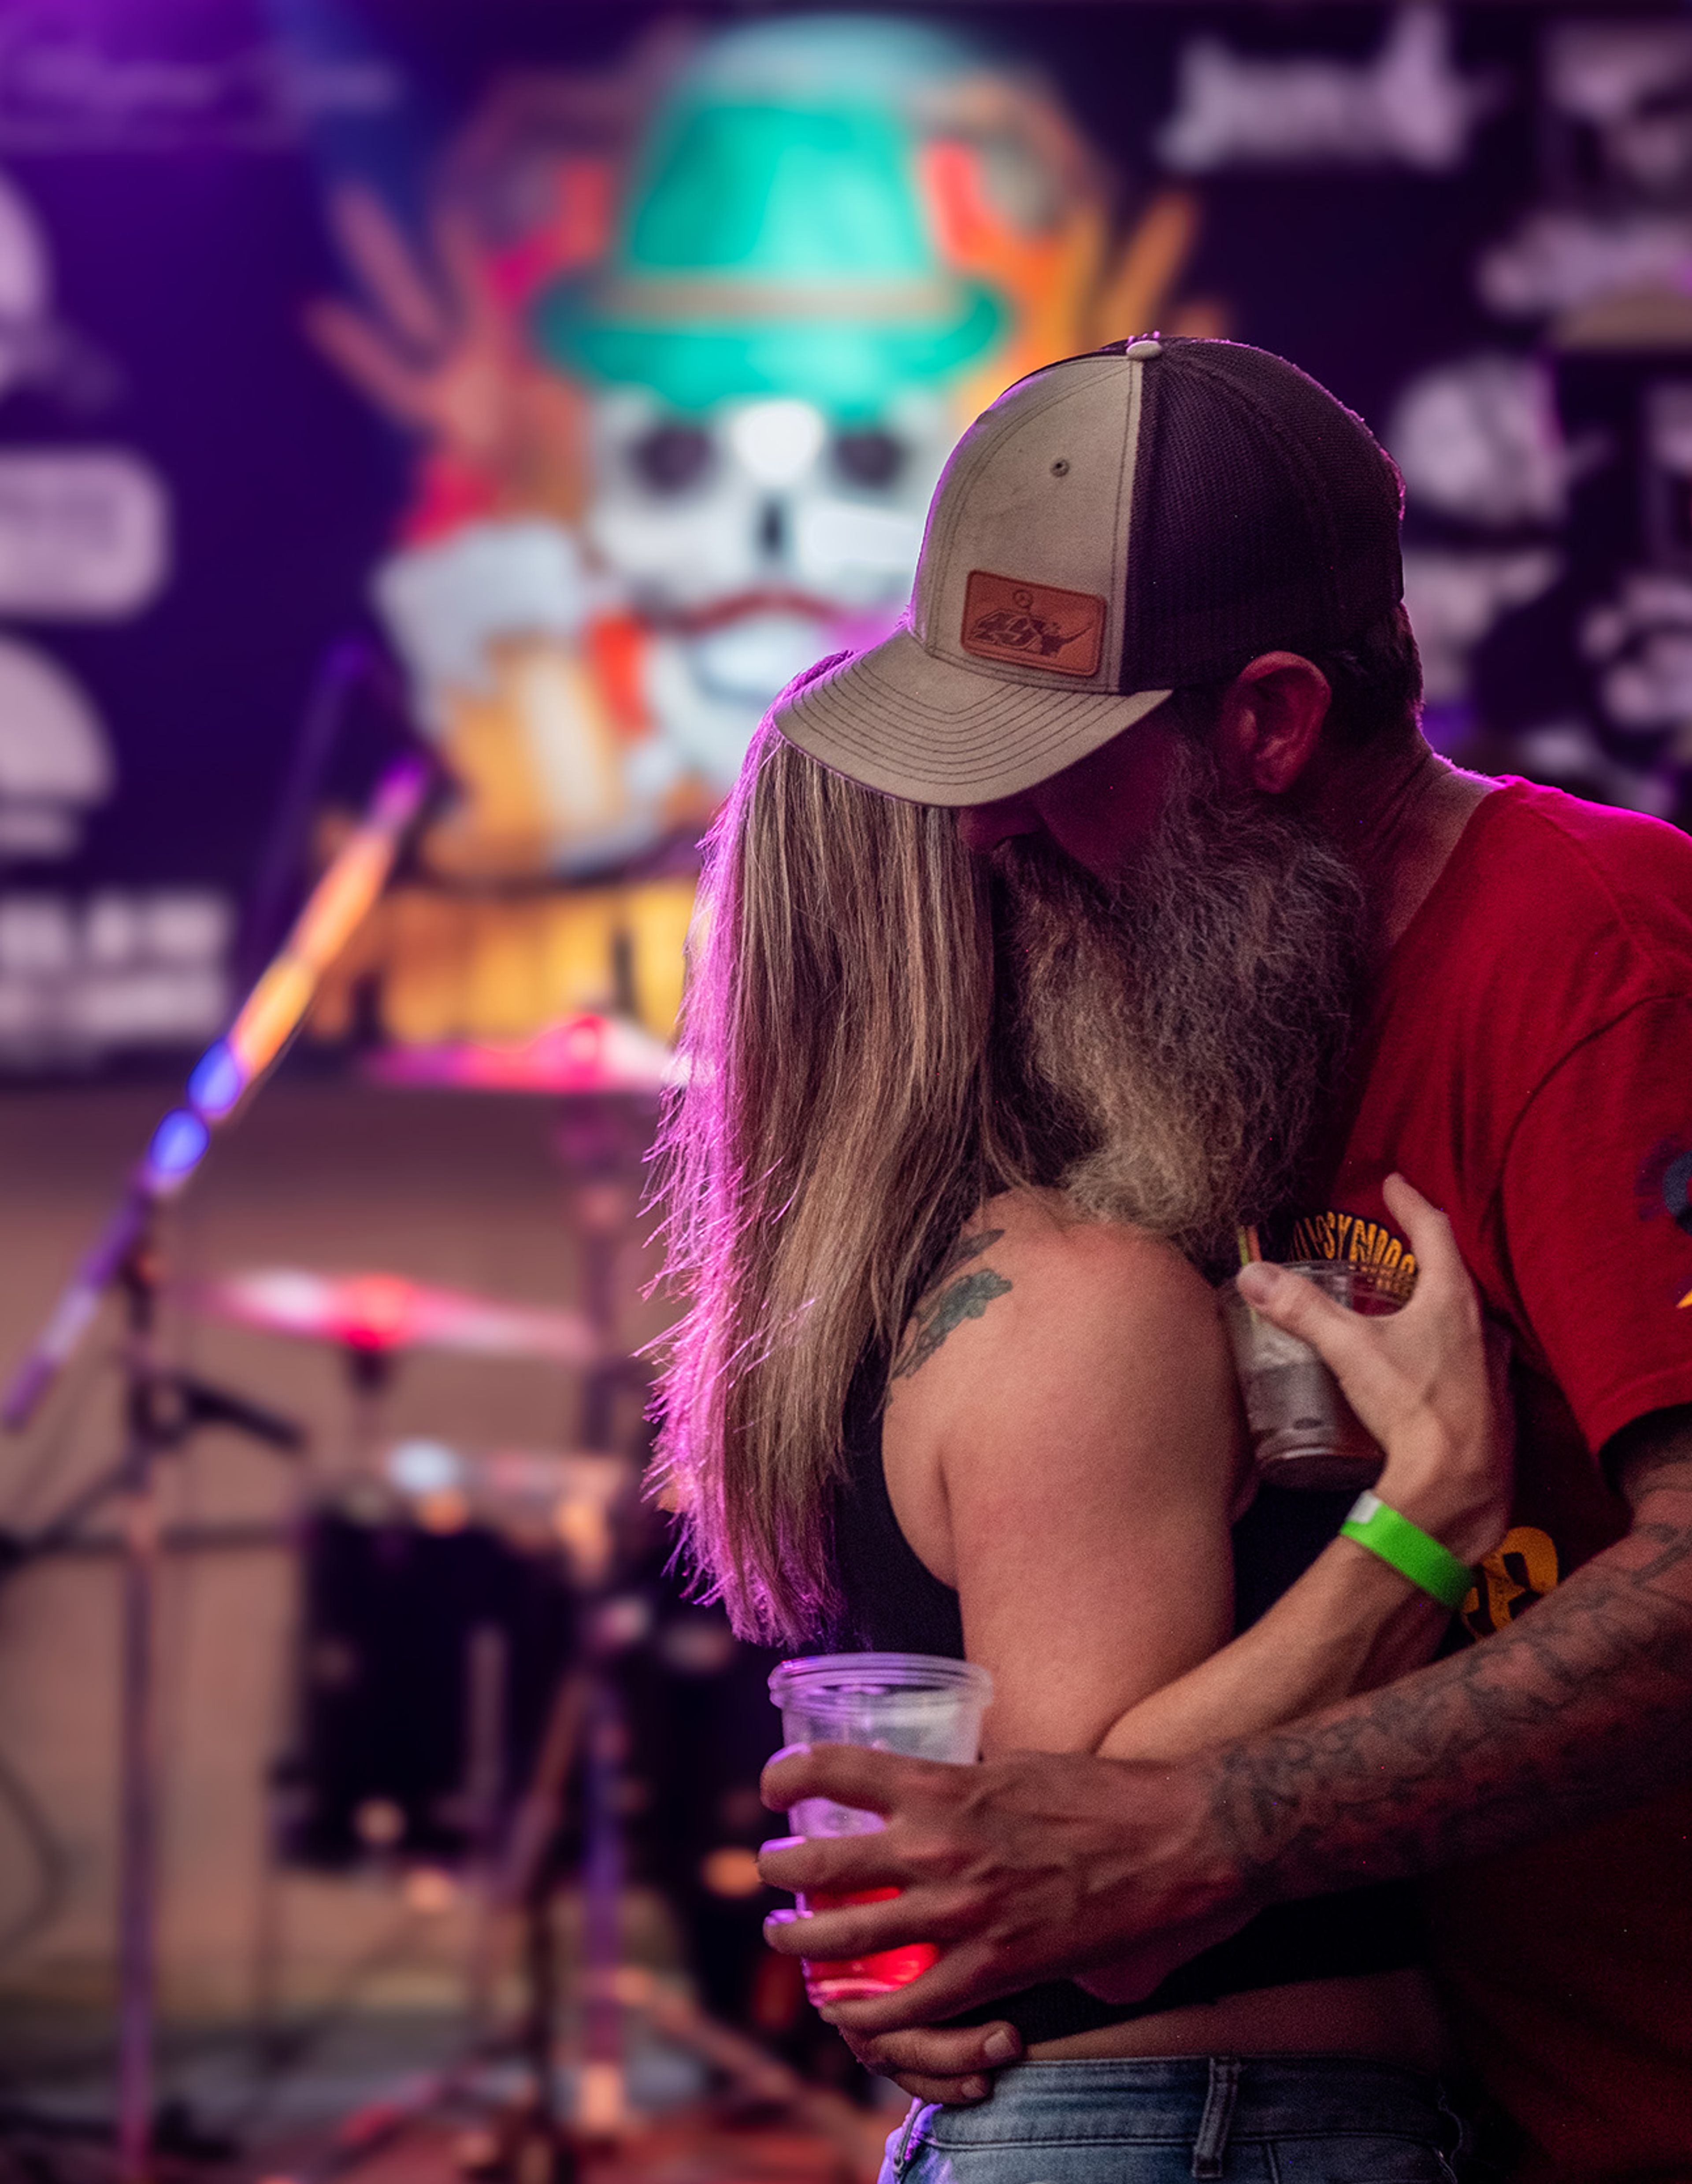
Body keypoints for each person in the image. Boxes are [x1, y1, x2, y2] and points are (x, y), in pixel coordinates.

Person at [753, 335, 1692, 2182]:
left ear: (1264, 722)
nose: (993, 825)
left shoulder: (1606, 961)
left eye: (1054, 764)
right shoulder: (1227, 1021)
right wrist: (967, 1902)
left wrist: (1194, 1830)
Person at [654, 717, 1513, 2178]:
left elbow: (1007, 1837)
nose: (1150, 879)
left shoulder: (904, 1303)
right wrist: (1429, 1514)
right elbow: (1109, 1913)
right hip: (1212, 2132)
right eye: (1079, 830)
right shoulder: (1078, 1294)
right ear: (1011, 912)